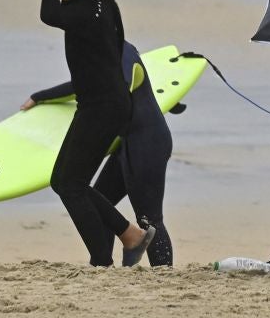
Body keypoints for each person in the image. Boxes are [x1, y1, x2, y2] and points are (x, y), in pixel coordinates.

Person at [37, 0, 155, 267]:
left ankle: (101, 261)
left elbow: (48, 14)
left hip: (102, 107)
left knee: (70, 185)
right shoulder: (104, 2)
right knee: (64, 181)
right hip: (105, 103)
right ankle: (130, 235)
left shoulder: (83, 10)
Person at [24, 41, 174, 266]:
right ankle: (101, 265)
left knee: (149, 217)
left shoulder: (122, 52)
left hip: (147, 142)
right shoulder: (105, 49)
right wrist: (41, 96)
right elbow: (87, 85)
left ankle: (164, 277)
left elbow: (122, 84)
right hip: (127, 143)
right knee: (100, 199)